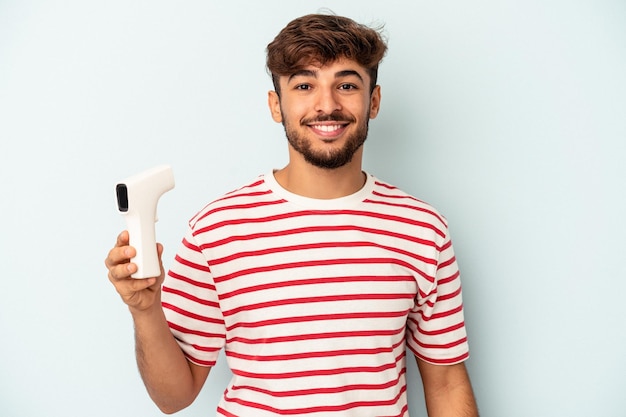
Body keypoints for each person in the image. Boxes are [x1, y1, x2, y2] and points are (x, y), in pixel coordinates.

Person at [106, 13, 479, 417]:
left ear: (373, 101)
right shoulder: (217, 229)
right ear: (276, 105)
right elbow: (172, 397)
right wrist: (145, 311)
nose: (327, 105)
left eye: (347, 85)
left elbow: (445, 383)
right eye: (304, 85)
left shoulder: (421, 229)